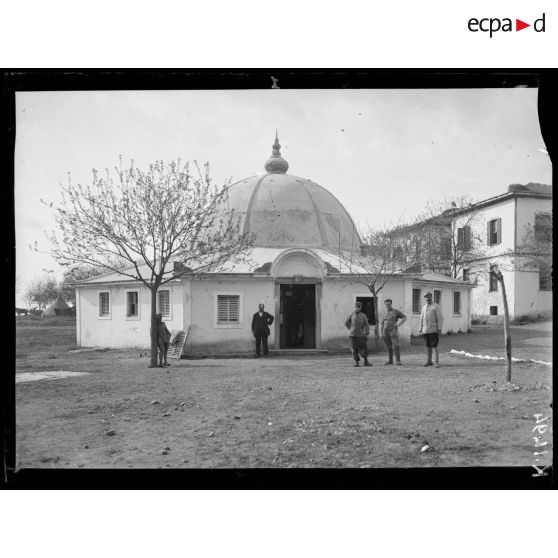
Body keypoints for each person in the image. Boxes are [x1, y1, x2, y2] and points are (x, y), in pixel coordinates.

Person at [419, 292, 444, 368]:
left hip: (433, 330)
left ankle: (436, 362)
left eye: (429, 296)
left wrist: (439, 329)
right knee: (428, 346)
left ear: (431, 297)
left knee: (435, 346)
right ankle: (429, 361)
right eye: (426, 297)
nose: (428, 298)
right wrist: (420, 329)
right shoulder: (423, 307)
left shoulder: (436, 306)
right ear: (425, 298)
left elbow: (440, 319)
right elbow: (421, 319)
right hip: (425, 330)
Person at [380, 299, 407, 365]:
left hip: (393, 331)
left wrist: (399, 324)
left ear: (391, 304)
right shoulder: (384, 312)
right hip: (385, 331)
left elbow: (404, 317)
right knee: (389, 346)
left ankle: (398, 361)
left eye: (389, 304)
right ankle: (390, 360)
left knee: (396, 346)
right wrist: (381, 332)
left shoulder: (396, 311)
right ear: (385, 305)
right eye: (386, 304)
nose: (388, 305)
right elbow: (382, 323)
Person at [345, 301, 371, 367]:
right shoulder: (351, 315)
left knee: (364, 349)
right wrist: (351, 329)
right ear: (354, 307)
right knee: (354, 349)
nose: (357, 308)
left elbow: (367, 325)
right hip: (352, 335)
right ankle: (356, 362)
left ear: (361, 308)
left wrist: (366, 333)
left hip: (361, 335)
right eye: (356, 307)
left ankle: (366, 361)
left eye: (359, 307)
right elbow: (346, 323)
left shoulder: (364, 315)